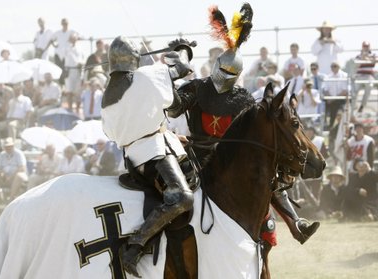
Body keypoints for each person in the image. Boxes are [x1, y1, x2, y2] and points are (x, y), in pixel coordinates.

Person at [168, 3, 319, 248]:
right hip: (196, 156)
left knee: (266, 178)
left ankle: (295, 223)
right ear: (215, 65)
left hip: (231, 162)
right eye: (222, 69)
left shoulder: (244, 100)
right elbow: (174, 108)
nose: (223, 75)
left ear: (237, 75)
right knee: (168, 185)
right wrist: (172, 73)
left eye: (229, 72)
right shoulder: (197, 88)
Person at [101, 35, 195, 277]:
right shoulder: (144, 77)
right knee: (182, 197)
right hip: (153, 154)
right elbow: (182, 69)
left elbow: (112, 132)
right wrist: (179, 50)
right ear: (134, 60)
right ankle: (135, 246)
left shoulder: (107, 97)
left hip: (136, 157)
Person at [0, 137, 28, 202]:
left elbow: (22, 167)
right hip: (5, 177)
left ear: (13, 146)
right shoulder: (2, 154)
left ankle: (11, 198)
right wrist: (2, 174)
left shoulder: (19, 154)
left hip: (15, 177)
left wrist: (11, 176)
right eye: (6, 146)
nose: (8, 148)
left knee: (19, 176)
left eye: (9, 146)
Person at [47, 18, 78, 85]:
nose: (65, 25)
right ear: (61, 24)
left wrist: (73, 41)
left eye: (66, 23)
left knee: (66, 71)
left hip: (66, 55)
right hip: (58, 54)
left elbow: (78, 37)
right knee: (58, 70)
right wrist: (54, 45)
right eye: (63, 23)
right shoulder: (58, 32)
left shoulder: (72, 31)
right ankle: (60, 85)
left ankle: (65, 86)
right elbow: (51, 39)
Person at [321, 61, 348, 128]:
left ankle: (331, 125)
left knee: (334, 106)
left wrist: (333, 98)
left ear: (339, 67)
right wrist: (330, 98)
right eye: (332, 66)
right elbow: (325, 89)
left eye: (335, 66)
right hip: (330, 99)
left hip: (340, 99)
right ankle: (325, 124)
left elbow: (345, 91)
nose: (333, 68)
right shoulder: (328, 76)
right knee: (323, 104)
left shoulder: (344, 75)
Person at [64, 33, 85, 112]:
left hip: (78, 70)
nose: (73, 39)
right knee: (69, 91)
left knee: (77, 92)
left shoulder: (80, 48)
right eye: (71, 38)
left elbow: (83, 59)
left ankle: (77, 109)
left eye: (74, 38)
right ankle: (69, 109)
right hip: (69, 70)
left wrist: (81, 63)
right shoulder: (66, 47)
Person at [353, 41, 377, 113]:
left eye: (367, 46)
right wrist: (363, 58)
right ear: (362, 47)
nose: (366, 48)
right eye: (364, 46)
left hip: (369, 76)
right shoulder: (358, 56)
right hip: (359, 76)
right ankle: (354, 106)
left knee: (369, 86)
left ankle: (362, 105)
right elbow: (356, 64)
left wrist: (367, 58)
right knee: (355, 90)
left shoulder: (373, 54)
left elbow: (375, 61)